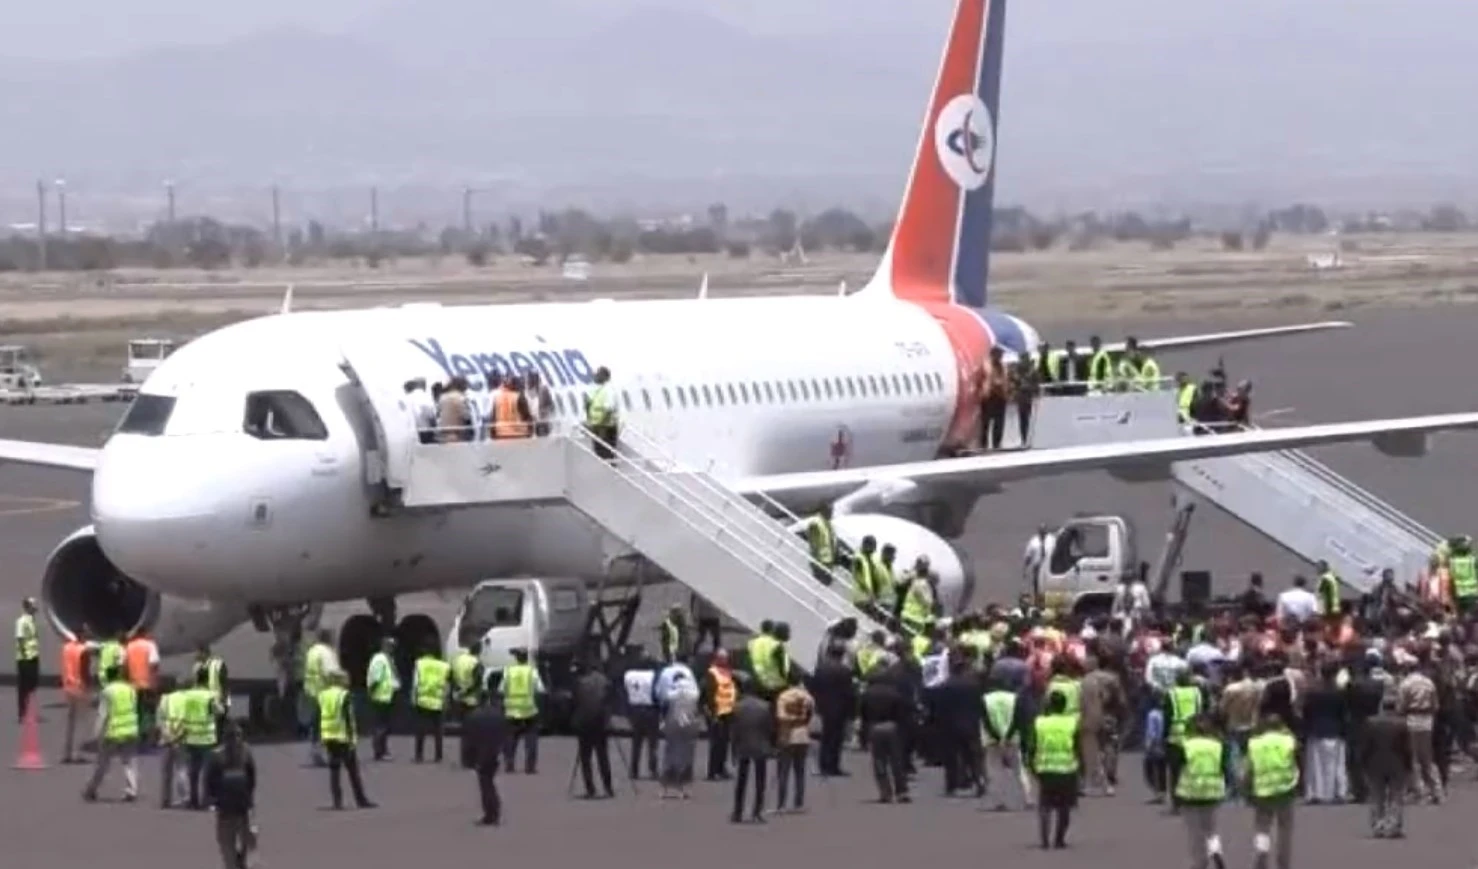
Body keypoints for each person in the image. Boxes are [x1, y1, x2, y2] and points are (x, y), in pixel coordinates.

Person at [1026, 691, 1080, 849]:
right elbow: (1077, 747)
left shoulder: (1040, 723)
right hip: (1067, 768)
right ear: (1064, 706)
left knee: (1045, 805)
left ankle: (1044, 839)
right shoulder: (1071, 723)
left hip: (1045, 768)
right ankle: (1059, 839)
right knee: (1064, 807)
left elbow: (1032, 746)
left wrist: (1031, 764)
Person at [1245, 714, 1299, 869]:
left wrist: (1246, 789)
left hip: (1262, 789)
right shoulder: (1288, 741)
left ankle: (1262, 853)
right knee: (1285, 829)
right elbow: (1296, 760)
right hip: (1286, 788)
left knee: (1263, 827)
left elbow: (1248, 769)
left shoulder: (1254, 743)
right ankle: (1283, 862)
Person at [1177, 715, 1230, 869]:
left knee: (1195, 834)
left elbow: (1178, 767)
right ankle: (1215, 850)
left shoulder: (1186, 745)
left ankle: (1199, 864)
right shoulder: (1218, 745)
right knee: (1211, 829)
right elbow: (1224, 768)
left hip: (1190, 793)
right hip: (1212, 792)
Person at [204, 721, 257, 869]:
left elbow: (252, 777)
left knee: (249, 839)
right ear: (225, 739)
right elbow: (210, 780)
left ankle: (242, 860)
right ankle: (233, 863)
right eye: (232, 737)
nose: (236, 740)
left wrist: (249, 797)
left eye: (238, 736)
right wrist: (211, 799)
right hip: (225, 808)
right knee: (226, 844)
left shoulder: (246, 753)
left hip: (243, 807)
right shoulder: (217, 756)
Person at [319, 669, 375, 810]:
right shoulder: (344, 695)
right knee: (353, 770)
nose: (348, 681)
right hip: (342, 737)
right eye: (345, 679)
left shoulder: (323, 695)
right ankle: (361, 799)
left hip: (329, 737)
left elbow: (319, 717)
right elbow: (348, 718)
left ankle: (337, 801)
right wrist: (352, 739)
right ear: (340, 680)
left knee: (334, 770)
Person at [83, 666, 140, 803]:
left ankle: (92, 789)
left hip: (114, 731)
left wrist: (96, 734)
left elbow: (103, 714)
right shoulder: (130, 689)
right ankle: (132, 790)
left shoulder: (107, 692)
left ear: (108, 678)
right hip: (131, 729)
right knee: (129, 762)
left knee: (102, 763)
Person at [1359, 694, 1410, 838]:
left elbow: (1365, 746)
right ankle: (1393, 826)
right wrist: (1408, 766)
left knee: (1377, 796)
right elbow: (1406, 749)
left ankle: (1378, 825)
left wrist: (1363, 763)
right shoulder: (1402, 723)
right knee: (1396, 796)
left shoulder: (1370, 722)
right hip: (1397, 764)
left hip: (1374, 764)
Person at [729, 676, 774, 823]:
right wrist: (772, 745)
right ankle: (757, 812)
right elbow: (770, 729)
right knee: (760, 780)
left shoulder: (737, 706)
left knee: (741, 781)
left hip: (743, 745)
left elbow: (734, 731)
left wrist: (733, 750)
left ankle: (738, 811)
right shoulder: (765, 706)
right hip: (761, 745)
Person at [570, 660, 615, 799]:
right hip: (600, 723)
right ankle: (608, 788)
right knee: (603, 756)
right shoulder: (603, 680)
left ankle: (590, 788)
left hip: (584, 724)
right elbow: (610, 699)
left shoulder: (579, 683)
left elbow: (575, 703)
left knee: (585, 758)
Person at [180, 668, 223, 809]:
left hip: (191, 737)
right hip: (207, 738)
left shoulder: (187, 695)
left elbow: (182, 713)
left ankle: (193, 800)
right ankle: (207, 800)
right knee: (208, 772)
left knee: (193, 772)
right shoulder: (211, 695)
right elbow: (219, 711)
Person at [464, 692, 508, 824]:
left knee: (485, 783)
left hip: (480, 753)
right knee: (488, 781)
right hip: (493, 751)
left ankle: (491, 813)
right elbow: (504, 735)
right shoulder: (498, 715)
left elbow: (468, 739)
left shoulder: (473, 716)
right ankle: (493, 810)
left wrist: (467, 759)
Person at [773, 670, 814, 812]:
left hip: (787, 734)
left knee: (783, 771)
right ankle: (798, 803)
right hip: (802, 735)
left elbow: (780, 717)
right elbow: (810, 715)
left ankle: (781, 803)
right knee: (800, 771)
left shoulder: (783, 697)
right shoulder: (807, 697)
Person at [500, 648, 543, 773]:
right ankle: (530, 766)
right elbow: (540, 689)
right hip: (529, 710)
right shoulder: (532, 672)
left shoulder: (509, 671)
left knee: (510, 738)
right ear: (526, 658)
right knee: (531, 739)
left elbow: (502, 689)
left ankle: (509, 763)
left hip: (512, 710)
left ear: (516, 658)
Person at [660, 670, 702, 799]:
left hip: (673, 725)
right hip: (689, 726)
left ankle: (666, 788)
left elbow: (664, 706)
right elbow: (697, 710)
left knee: (670, 754)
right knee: (686, 756)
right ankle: (681, 789)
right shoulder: (694, 694)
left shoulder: (671, 693)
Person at [622, 647, 661, 780]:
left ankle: (634, 770)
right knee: (652, 742)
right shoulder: (653, 675)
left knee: (636, 742)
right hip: (650, 709)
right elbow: (657, 693)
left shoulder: (629, 675)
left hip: (635, 709)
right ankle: (653, 769)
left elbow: (626, 693)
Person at [411, 644, 450, 763]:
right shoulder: (444, 666)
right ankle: (438, 756)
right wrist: (445, 700)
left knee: (420, 730)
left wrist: (413, 698)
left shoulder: (420, 664)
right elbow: (446, 686)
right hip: (437, 702)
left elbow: (416, 683)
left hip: (422, 701)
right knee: (438, 732)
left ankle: (419, 755)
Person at [702, 650, 738, 780]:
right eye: (722, 658)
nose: (725, 660)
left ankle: (721, 768)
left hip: (727, 712)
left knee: (724, 743)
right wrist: (711, 714)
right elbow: (707, 694)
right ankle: (712, 772)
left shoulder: (727, 672)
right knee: (716, 744)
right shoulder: (712, 673)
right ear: (716, 659)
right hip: (716, 713)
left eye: (726, 658)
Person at [364, 637, 399, 761]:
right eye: (391, 646)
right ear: (384, 646)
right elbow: (376, 678)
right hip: (380, 696)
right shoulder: (380, 659)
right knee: (381, 726)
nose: (393, 648)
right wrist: (372, 693)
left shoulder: (387, 659)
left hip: (386, 696)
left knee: (384, 726)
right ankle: (379, 751)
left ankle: (383, 749)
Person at [60, 626, 91, 763]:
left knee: (69, 723)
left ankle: (66, 753)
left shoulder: (67, 648)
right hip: (80, 688)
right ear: (83, 635)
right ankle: (77, 754)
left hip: (68, 687)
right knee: (81, 723)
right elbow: (85, 671)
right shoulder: (83, 651)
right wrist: (89, 687)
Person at [451, 644, 484, 768]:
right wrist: (466, 692)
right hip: (472, 701)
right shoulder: (476, 663)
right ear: (479, 651)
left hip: (460, 701)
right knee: (475, 733)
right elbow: (477, 682)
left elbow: (451, 677)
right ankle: (473, 760)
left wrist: (458, 691)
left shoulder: (458, 660)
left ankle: (464, 760)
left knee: (464, 732)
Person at [14, 596, 40, 722]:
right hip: (25, 658)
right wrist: (24, 655)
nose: (35, 609)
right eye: (33, 606)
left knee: (33, 684)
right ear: (27, 607)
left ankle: (28, 710)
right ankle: (22, 713)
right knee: (23, 687)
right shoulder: (22, 621)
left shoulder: (31, 620)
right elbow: (20, 638)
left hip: (33, 656)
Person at [584, 366, 619, 459]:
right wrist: (589, 421)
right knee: (598, 454)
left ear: (604, 376)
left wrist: (601, 426)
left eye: (598, 375)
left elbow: (609, 410)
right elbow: (589, 404)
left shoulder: (609, 390)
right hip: (597, 426)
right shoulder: (597, 389)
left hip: (606, 428)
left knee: (606, 454)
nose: (595, 377)